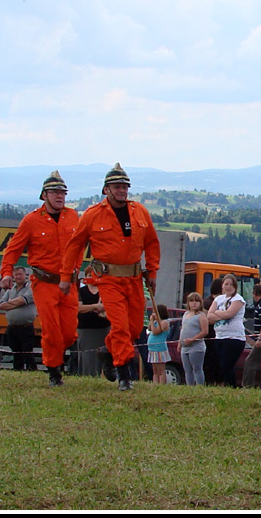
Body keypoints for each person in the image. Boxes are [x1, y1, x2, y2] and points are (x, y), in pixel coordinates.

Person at [60, 163, 161, 392]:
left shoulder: (140, 211)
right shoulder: (93, 215)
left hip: (134, 278)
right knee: (120, 326)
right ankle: (125, 375)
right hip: (107, 280)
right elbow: (74, 246)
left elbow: (152, 243)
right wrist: (67, 276)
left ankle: (107, 351)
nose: (121, 190)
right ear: (106, 189)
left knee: (135, 328)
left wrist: (152, 272)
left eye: (125, 186)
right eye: (116, 186)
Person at [1, 171, 79, 387]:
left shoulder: (73, 216)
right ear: (44, 195)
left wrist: (77, 268)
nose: (59, 196)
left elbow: (79, 245)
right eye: (54, 192)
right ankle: (54, 371)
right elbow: (13, 249)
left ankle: (56, 357)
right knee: (51, 331)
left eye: (62, 192)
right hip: (44, 283)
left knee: (70, 333)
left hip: (69, 284)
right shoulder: (31, 220)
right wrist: (6, 272)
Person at [206, 273, 247, 387]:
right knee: (222, 365)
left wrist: (218, 313)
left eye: (231, 284)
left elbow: (230, 314)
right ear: (222, 286)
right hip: (219, 336)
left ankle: (232, 387)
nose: (228, 287)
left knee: (227, 365)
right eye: (226, 284)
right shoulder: (219, 299)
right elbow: (209, 316)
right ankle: (227, 386)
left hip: (234, 338)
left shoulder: (238, 299)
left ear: (235, 286)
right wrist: (221, 315)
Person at [0, 266, 38, 372]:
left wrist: (10, 303)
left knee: (27, 353)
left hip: (26, 327)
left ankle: (32, 372)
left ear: (25, 275)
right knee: (16, 352)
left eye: (20, 274)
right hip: (12, 328)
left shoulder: (31, 287)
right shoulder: (11, 289)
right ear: (13, 276)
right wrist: (16, 303)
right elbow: (1, 305)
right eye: (16, 275)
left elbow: (23, 300)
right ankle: (17, 372)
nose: (18, 277)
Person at [72, 273, 111, 377]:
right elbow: (78, 308)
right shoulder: (81, 291)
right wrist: (95, 306)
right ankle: (87, 376)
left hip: (104, 328)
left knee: (104, 356)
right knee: (88, 357)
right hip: (86, 329)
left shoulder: (105, 290)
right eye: (89, 275)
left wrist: (101, 308)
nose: (91, 277)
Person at [179, 292, 209, 386]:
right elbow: (183, 329)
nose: (194, 303)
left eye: (197, 301)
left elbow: (205, 331)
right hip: (185, 347)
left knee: (197, 368)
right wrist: (180, 343)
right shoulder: (186, 314)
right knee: (187, 370)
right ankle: (190, 387)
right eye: (191, 301)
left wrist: (192, 339)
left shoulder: (201, 316)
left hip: (196, 347)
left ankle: (199, 387)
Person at [147, 304, 171, 384]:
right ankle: (155, 384)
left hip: (159, 348)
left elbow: (155, 331)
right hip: (152, 349)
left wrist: (152, 322)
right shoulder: (156, 322)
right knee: (155, 370)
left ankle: (161, 384)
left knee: (160, 370)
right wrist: (152, 321)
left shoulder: (164, 323)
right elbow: (149, 328)